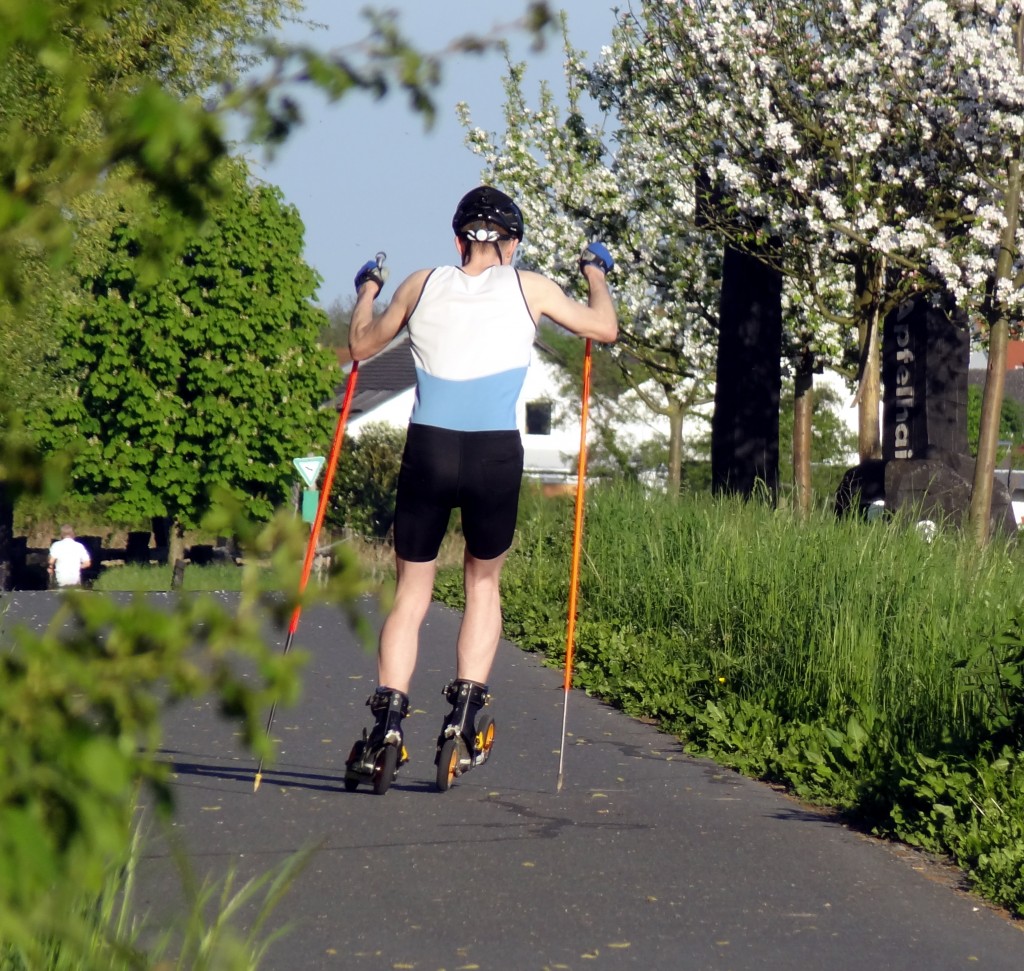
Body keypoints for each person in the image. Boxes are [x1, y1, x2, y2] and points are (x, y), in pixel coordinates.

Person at [343, 185, 618, 792]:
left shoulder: (420, 284)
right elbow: (604, 328)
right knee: (482, 580)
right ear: (513, 243)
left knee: (412, 588)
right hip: (494, 452)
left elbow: (361, 345)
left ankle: (388, 721)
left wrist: (368, 289)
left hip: (429, 448)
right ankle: (462, 717)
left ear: (458, 240)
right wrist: (596, 272)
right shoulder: (532, 286)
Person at [48, 524, 92, 588]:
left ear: (61, 534)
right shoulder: (79, 546)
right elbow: (87, 563)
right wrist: (78, 566)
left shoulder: (56, 545)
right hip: (74, 579)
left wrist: (50, 568)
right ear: (73, 534)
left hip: (61, 579)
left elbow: (51, 561)